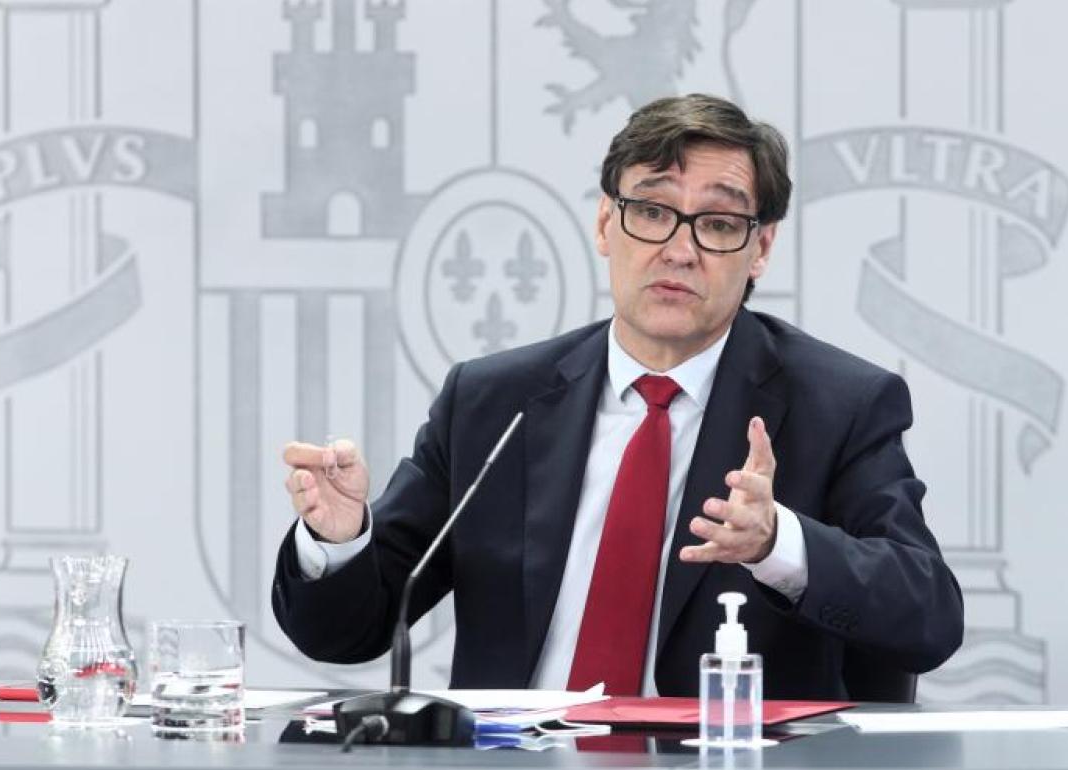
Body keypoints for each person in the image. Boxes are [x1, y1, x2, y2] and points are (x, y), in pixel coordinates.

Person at [273, 94, 963, 700]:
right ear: (606, 223)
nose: (679, 249)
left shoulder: (839, 406)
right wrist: (339, 540)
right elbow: (349, 631)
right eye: (652, 212)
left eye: (719, 224)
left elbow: (928, 616)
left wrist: (777, 543)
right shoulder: (495, 402)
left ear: (760, 248)